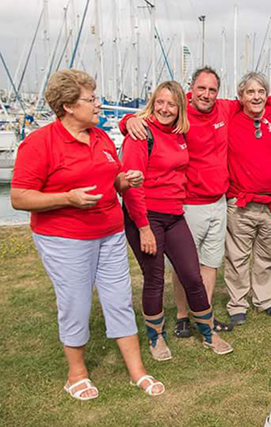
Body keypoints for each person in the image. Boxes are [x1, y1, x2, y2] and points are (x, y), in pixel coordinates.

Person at [11, 69, 164, 400]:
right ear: (67, 106)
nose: (98, 104)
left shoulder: (101, 137)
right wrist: (67, 198)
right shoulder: (40, 143)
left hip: (109, 233)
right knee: (76, 304)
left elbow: (113, 181)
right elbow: (20, 197)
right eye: (91, 99)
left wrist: (127, 180)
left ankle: (137, 371)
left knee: (120, 300)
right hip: (64, 238)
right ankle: (76, 374)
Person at [121, 67, 271, 339]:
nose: (206, 94)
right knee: (184, 264)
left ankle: (206, 314)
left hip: (219, 201)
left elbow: (250, 100)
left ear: (218, 92)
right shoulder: (183, 111)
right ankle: (181, 317)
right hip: (188, 203)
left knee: (210, 263)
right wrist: (128, 119)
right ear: (191, 89)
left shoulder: (224, 109)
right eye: (201, 88)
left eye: (212, 89)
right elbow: (156, 118)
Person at [122, 80, 233, 361]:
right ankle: (156, 337)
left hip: (174, 214)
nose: (165, 108)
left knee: (193, 275)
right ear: (152, 103)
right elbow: (131, 186)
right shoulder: (140, 133)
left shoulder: (179, 133)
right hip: (146, 216)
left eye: (171, 104)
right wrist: (144, 228)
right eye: (160, 102)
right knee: (154, 278)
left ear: (180, 107)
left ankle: (208, 332)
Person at [225, 72, 271, 326]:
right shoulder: (230, 117)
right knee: (237, 257)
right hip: (240, 202)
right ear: (240, 96)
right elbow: (192, 100)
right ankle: (237, 303)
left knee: (269, 255)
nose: (256, 97)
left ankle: (264, 299)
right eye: (250, 92)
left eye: (262, 92)